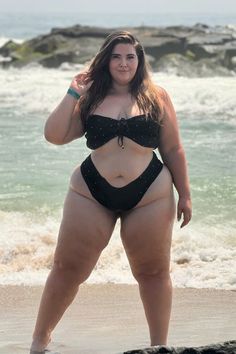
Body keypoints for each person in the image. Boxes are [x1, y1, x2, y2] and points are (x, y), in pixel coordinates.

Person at [30, 30, 192, 353]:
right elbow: (54, 135)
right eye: (116, 56)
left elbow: (172, 149)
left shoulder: (157, 96)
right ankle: (38, 343)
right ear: (106, 60)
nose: (123, 63)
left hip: (150, 193)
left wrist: (185, 193)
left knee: (153, 272)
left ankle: (159, 347)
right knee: (67, 268)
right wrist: (73, 92)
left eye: (130, 57)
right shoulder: (91, 97)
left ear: (139, 60)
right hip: (91, 191)